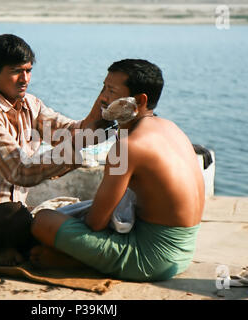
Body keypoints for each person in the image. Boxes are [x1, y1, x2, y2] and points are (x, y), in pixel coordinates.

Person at [30, 59, 205, 281]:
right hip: (184, 252)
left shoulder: (128, 146)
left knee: (43, 221)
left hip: (152, 260)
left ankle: (74, 261)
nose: (103, 97)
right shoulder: (171, 128)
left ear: (139, 100)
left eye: (111, 91)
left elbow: (96, 223)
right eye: (103, 87)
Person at [0, 34, 107, 265]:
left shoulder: (30, 104)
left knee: (68, 212)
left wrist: (100, 112)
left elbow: (68, 131)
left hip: (12, 216)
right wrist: (78, 144)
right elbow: (20, 172)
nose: (25, 79)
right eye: (16, 71)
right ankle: (22, 250)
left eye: (29, 71)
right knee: (18, 216)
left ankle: (12, 252)